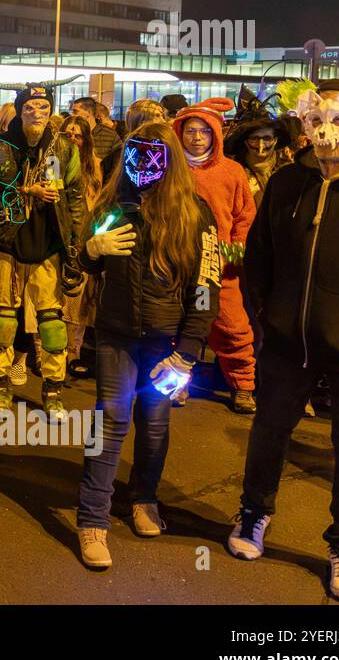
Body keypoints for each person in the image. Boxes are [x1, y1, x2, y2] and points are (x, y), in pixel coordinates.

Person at [228, 79, 339, 603]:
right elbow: (258, 252)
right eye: (317, 120)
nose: (327, 133)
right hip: (288, 345)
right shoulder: (289, 182)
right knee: (269, 432)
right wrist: (268, 313)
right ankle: (255, 512)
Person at [74, 122, 221, 569]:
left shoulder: (195, 213)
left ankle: (144, 498)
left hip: (165, 342)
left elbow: (206, 286)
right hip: (116, 334)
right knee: (111, 420)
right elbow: (81, 259)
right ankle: (92, 517)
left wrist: (187, 352)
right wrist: (91, 250)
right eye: (138, 153)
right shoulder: (111, 204)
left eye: (156, 154)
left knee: (154, 425)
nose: (146, 164)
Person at [0, 85, 87, 421]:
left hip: (49, 247)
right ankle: (2, 386)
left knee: (52, 324)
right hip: (7, 245)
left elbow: (75, 201)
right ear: (19, 111)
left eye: (44, 106)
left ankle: (53, 391)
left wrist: (75, 251)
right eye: (31, 107)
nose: (38, 113)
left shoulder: (61, 149)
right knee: (3, 321)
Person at [172, 98, 257, 413]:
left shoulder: (231, 171)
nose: (196, 138)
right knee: (177, 327)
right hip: (178, 265)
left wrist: (234, 253)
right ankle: (177, 382)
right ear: (180, 133)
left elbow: (245, 217)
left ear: (215, 135)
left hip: (219, 266)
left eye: (204, 132)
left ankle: (243, 385)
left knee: (232, 327)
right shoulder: (168, 167)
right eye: (190, 130)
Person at [59, 114, 102, 378]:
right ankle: (51, 351)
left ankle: (73, 351)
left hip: (84, 235)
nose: (73, 139)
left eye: (78, 135)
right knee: (58, 296)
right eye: (68, 134)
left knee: (81, 298)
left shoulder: (94, 165)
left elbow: (96, 201)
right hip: (60, 234)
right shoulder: (54, 161)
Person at [71, 97, 120, 162]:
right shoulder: (71, 134)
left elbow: (119, 162)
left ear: (88, 112)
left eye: (75, 112)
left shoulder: (110, 135)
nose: (72, 115)